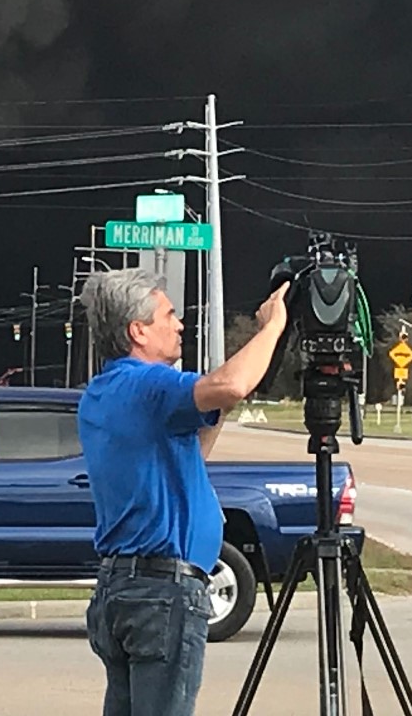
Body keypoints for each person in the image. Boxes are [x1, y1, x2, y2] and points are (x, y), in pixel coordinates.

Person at [76, 268, 291, 716]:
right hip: (163, 592)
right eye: (169, 316)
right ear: (138, 331)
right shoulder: (149, 385)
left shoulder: (104, 392)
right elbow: (230, 383)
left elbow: (191, 450)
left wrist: (220, 407)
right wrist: (273, 327)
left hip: (121, 587)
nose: (180, 325)